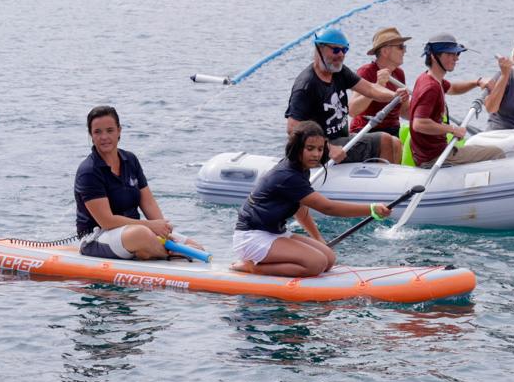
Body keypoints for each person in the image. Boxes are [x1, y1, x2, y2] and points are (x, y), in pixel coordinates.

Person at [231, 123, 391, 278]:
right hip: (252, 237)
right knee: (316, 264)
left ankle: (261, 264)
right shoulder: (287, 176)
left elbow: (300, 208)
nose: (316, 154)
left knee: (328, 259)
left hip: (274, 233)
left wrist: (317, 238)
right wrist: (371, 209)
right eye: (310, 148)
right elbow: (328, 208)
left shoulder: (301, 170)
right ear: (297, 147)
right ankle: (252, 268)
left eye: (320, 149)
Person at [74, 105, 203, 260]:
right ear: (91, 135)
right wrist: (150, 226)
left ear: (119, 131)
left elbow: (148, 203)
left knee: (197, 248)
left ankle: (149, 251)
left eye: (109, 130)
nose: (104, 137)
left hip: (133, 232)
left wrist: (161, 227)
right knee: (141, 234)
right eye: (97, 132)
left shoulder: (130, 160)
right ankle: (166, 253)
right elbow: (106, 221)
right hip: (97, 237)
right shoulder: (88, 171)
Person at [284, 27, 404, 164]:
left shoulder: (339, 70)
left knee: (395, 142)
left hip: (341, 139)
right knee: (385, 141)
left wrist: (395, 95)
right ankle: (383, 183)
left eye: (344, 50)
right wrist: (327, 147)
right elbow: (292, 128)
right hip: (321, 148)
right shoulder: (306, 85)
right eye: (335, 50)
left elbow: (370, 89)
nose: (340, 55)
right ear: (319, 48)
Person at [407, 33, 503, 166]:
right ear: (434, 57)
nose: (456, 59)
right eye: (450, 54)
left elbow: (452, 88)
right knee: (497, 153)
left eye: (457, 54)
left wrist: (477, 82)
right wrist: (453, 129)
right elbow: (419, 124)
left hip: (436, 152)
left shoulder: (429, 78)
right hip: (435, 157)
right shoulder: (431, 87)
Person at [349, 26, 410, 138]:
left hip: (393, 131)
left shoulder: (399, 74)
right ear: (385, 51)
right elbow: (353, 110)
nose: (405, 51)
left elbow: (405, 111)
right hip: (366, 130)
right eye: (401, 47)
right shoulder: (366, 72)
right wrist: (377, 86)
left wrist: (428, 111)